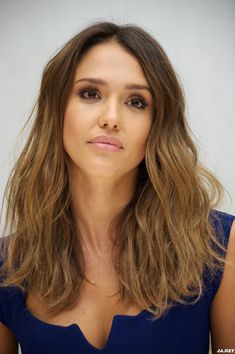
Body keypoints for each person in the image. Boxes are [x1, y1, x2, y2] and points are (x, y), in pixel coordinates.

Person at [0, 21, 234, 354]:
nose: (111, 118)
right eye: (90, 93)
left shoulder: (221, 246)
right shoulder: (8, 268)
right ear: (56, 109)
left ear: (158, 125)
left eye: (137, 102)